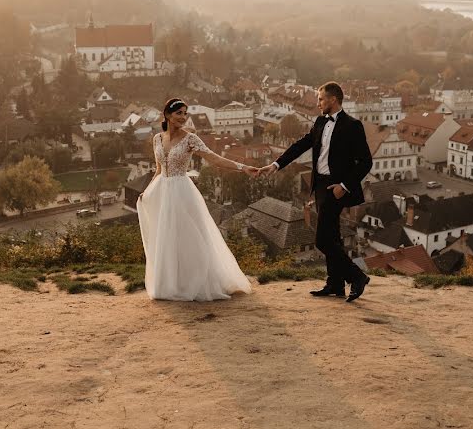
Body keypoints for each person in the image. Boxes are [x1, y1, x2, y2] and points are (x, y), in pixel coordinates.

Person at [252, 82, 373, 302]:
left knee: (322, 241)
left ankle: (357, 276)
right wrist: (276, 165)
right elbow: (301, 145)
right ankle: (335, 283)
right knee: (333, 237)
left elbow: (366, 162)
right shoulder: (319, 121)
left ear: (333, 99)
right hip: (320, 186)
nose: (317, 103)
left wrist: (344, 186)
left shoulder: (352, 125)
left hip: (336, 189)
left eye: (321, 99)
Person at [136, 98, 255, 301]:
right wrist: (146, 192)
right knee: (167, 238)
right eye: (179, 113)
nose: (183, 117)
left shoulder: (190, 139)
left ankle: (198, 283)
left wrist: (242, 167)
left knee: (191, 238)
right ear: (167, 115)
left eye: (185, 113)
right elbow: (158, 169)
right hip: (162, 191)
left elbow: (214, 158)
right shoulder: (157, 138)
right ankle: (172, 284)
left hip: (182, 192)